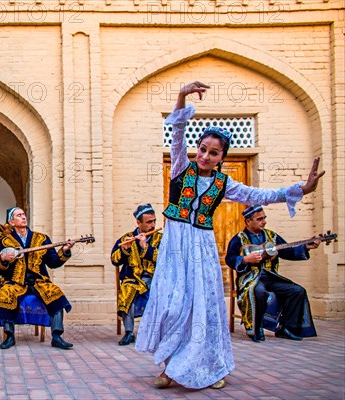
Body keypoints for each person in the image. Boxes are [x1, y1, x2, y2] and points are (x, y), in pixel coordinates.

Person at [134, 81, 325, 390]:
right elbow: (178, 133)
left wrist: (302, 189)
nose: (206, 156)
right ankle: (170, 367)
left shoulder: (225, 184)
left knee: (204, 307)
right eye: (203, 150)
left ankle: (211, 365)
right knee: (174, 305)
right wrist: (182, 95)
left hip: (202, 245)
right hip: (176, 243)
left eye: (213, 153)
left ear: (222, 156)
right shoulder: (181, 167)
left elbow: (262, 193)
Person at [225, 205, 319, 342]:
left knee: (297, 291)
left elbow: (288, 251)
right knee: (259, 292)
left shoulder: (272, 236)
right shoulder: (239, 239)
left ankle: (286, 328)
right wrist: (245, 259)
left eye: (264, 218)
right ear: (248, 221)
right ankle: (256, 329)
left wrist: (305, 247)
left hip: (271, 276)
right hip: (250, 278)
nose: (264, 221)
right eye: (259, 219)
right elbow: (229, 259)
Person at [0, 207, 75, 350]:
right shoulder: (4, 242)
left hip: (38, 282)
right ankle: (9, 336)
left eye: (24, 215)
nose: (23, 217)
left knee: (56, 292)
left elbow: (53, 262)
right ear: (11, 222)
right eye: (19, 215)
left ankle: (56, 336)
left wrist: (65, 251)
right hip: (15, 282)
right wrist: (2, 258)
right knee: (5, 293)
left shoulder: (41, 239)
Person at [110, 204, 162, 346]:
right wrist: (124, 251)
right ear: (139, 223)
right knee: (127, 291)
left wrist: (146, 247)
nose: (152, 225)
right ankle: (129, 332)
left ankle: (156, 332)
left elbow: (165, 259)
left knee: (163, 292)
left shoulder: (161, 238)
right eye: (148, 222)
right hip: (133, 279)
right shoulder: (127, 238)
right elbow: (114, 260)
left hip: (155, 278)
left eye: (154, 221)